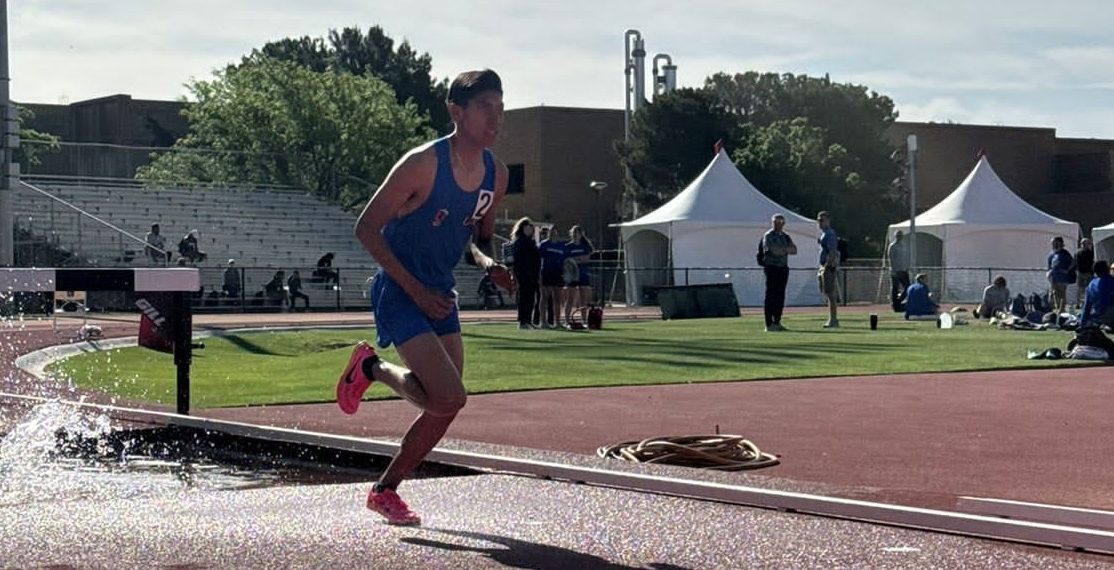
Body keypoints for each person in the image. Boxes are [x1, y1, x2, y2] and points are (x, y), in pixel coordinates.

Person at [338, 69, 508, 526]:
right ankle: (372, 368)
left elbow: (477, 240)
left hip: (440, 295)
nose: (495, 117)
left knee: (443, 407)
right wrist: (416, 290)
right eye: (484, 107)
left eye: (500, 106)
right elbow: (365, 228)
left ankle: (384, 490)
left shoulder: (497, 175)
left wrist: (489, 264)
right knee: (449, 398)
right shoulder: (422, 164)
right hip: (400, 290)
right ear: (456, 112)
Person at [760, 214, 797, 332]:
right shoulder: (768, 236)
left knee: (780, 295)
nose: (778, 225)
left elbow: (794, 250)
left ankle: (777, 321)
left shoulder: (785, 236)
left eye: (780, 222)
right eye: (776, 222)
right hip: (771, 268)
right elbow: (773, 251)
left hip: (783, 268)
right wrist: (785, 250)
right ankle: (769, 323)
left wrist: (783, 250)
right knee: (770, 295)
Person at [510, 217, 540, 329]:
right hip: (523, 274)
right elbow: (517, 261)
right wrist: (516, 276)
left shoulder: (531, 242)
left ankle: (528, 320)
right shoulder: (519, 242)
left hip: (533, 274)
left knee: (531, 298)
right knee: (524, 297)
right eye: (529, 226)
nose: (531, 228)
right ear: (523, 227)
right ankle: (522, 321)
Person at [562, 225, 594, 327]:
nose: (576, 235)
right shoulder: (568, 246)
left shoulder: (585, 246)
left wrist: (575, 259)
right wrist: (577, 259)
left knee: (583, 299)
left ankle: (584, 321)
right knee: (570, 298)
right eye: (574, 233)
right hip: (572, 274)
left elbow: (586, 259)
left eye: (578, 233)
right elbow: (566, 260)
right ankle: (567, 321)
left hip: (583, 274)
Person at [538, 225, 566, 328]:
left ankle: (557, 322)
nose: (553, 233)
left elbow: (564, 260)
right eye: (551, 231)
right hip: (546, 273)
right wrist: (538, 274)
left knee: (557, 298)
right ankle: (543, 322)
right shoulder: (544, 244)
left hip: (557, 273)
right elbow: (538, 259)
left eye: (555, 231)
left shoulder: (561, 246)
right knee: (545, 297)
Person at [816, 211, 840, 328]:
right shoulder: (824, 234)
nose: (820, 223)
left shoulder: (830, 234)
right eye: (818, 220)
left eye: (822, 220)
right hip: (823, 265)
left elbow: (832, 251)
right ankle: (832, 318)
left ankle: (833, 319)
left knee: (830, 293)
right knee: (827, 292)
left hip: (828, 266)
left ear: (828, 221)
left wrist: (828, 265)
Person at [1080, 260, 1114, 328]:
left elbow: (1086, 307)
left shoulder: (1091, 284)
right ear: (1107, 269)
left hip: (1100, 317)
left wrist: (1082, 323)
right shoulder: (1111, 281)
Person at [1047, 236, 1073, 314]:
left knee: (1061, 294)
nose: (1053, 244)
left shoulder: (1065, 253)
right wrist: (1048, 273)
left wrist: (1067, 270)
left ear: (1059, 243)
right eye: (1052, 243)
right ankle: (1055, 309)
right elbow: (1050, 265)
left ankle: (1062, 310)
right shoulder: (1051, 254)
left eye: (1054, 243)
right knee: (1053, 294)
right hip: (1053, 277)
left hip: (1062, 278)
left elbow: (1073, 263)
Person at [886, 230, 910, 312]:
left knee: (908, 287)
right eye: (898, 235)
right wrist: (893, 270)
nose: (899, 237)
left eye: (900, 235)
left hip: (903, 270)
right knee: (895, 289)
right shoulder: (892, 246)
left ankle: (898, 302)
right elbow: (891, 259)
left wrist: (906, 267)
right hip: (896, 270)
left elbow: (906, 258)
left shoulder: (904, 246)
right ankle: (895, 305)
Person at [1073, 238, 1095, 309]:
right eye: (1084, 244)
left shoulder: (1089, 252)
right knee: (1081, 288)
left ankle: (1084, 303)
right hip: (1082, 272)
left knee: (1085, 288)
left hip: (1086, 272)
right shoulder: (1089, 252)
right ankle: (1079, 303)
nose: (1085, 245)